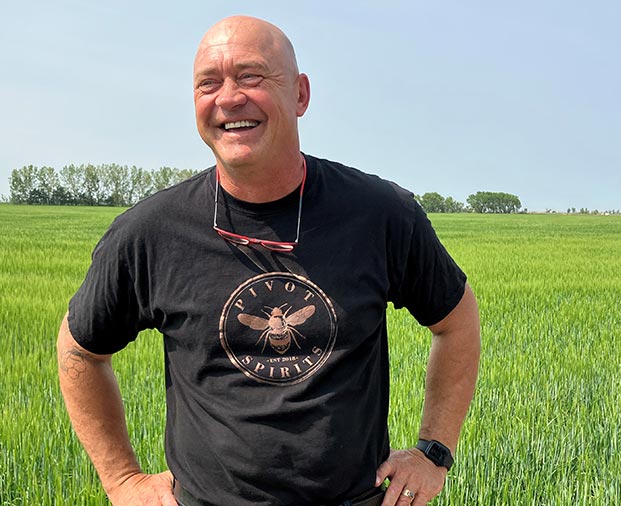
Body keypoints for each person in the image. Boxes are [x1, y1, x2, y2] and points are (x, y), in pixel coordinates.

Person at [57, 15, 480, 506]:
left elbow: (457, 320)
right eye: (208, 84)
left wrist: (433, 451)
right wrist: (122, 481)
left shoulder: (381, 215)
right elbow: (80, 350)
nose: (229, 98)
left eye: (251, 76)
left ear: (300, 95)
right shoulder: (151, 232)